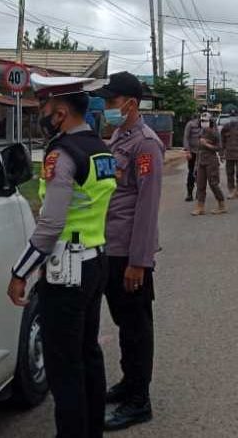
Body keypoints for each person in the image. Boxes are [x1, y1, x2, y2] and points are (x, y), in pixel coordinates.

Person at [7, 74, 117, 438]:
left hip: (68, 269)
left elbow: (50, 224)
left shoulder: (62, 154)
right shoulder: (100, 148)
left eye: (45, 107)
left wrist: (20, 272)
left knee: (63, 366)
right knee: (87, 354)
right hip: (96, 260)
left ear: (62, 111)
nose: (42, 113)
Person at [92, 72, 163, 431]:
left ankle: (139, 401)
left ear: (130, 104)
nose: (106, 108)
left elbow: (147, 207)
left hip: (129, 253)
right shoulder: (120, 136)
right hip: (111, 245)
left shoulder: (146, 144)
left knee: (136, 326)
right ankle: (128, 382)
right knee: (123, 323)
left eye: (110, 102)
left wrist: (139, 261)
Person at [192, 113, 227, 216]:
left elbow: (219, 148)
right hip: (201, 161)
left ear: (211, 122)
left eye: (206, 121)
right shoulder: (200, 133)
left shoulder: (215, 133)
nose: (203, 123)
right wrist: (196, 165)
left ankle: (222, 205)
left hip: (211, 160)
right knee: (200, 184)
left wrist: (207, 144)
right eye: (202, 121)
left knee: (213, 184)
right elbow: (198, 150)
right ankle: (200, 207)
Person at [181, 107, 205, 202]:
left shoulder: (208, 124)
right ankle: (189, 193)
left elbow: (214, 135)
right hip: (193, 152)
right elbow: (186, 137)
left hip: (203, 152)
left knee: (201, 173)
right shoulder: (190, 124)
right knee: (191, 172)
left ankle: (199, 193)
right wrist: (187, 151)